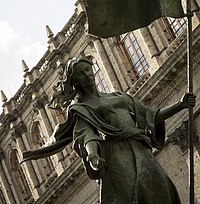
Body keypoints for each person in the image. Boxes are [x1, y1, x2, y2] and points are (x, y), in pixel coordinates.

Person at [22, 56, 196, 204]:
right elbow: (86, 134)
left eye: (88, 70)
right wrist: (92, 154)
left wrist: (179, 105)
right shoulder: (82, 108)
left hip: (140, 149)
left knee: (161, 189)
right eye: (81, 74)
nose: (87, 75)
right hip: (118, 156)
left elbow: (151, 116)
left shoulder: (119, 96)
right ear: (75, 82)